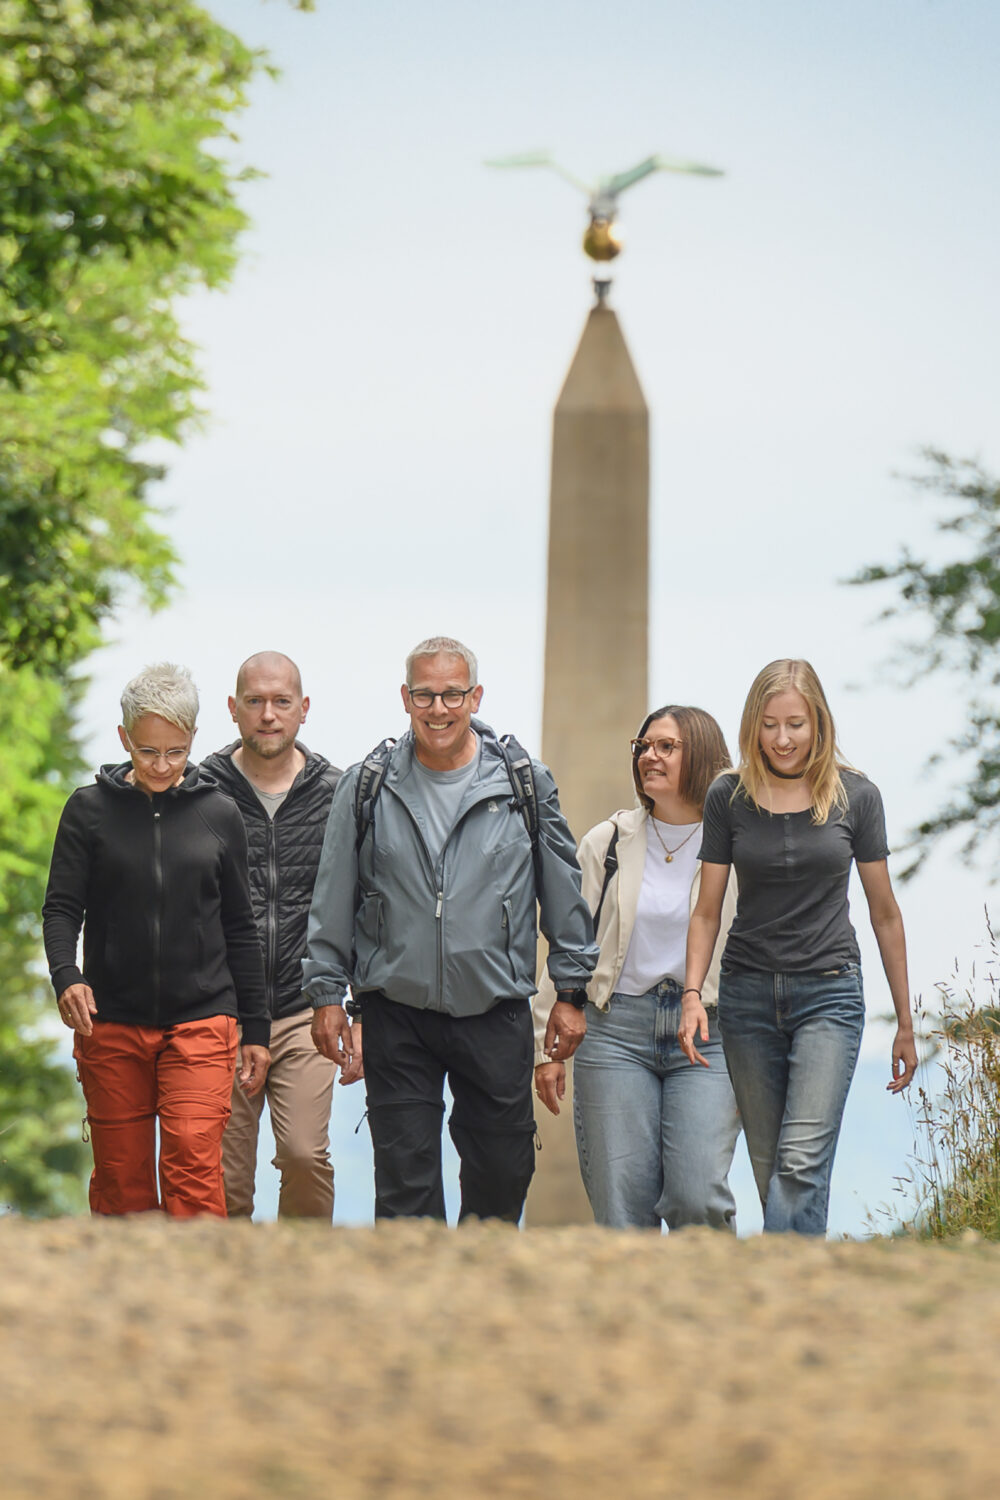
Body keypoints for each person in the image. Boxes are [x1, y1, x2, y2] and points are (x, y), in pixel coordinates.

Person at [304, 635, 598, 1223]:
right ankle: (416, 1281)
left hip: (494, 1007)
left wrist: (570, 993)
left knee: (502, 1173)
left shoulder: (523, 783)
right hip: (397, 1010)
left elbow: (563, 892)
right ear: (405, 698)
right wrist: (326, 994)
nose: (438, 709)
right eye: (425, 695)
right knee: (403, 1183)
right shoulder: (367, 785)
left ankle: (479, 1277)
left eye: (452, 694)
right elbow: (333, 894)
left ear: (476, 697)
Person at [679, 658, 917, 1236]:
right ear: (752, 726)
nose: (782, 739)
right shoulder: (728, 796)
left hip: (829, 993)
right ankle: (800, 1280)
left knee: (800, 1161)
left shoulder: (857, 797)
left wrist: (905, 1022)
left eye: (795, 724)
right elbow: (706, 910)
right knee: (772, 1169)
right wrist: (692, 993)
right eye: (769, 725)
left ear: (819, 724)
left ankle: (783, 1276)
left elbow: (885, 913)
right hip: (747, 996)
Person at [42, 663, 271, 1218]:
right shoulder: (87, 812)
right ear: (124, 738)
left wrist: (257, 1028)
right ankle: (126, 1277)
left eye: (175, 752)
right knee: (121, 1180)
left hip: (202, 1020)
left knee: (192, 1160)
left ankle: (195, 1276)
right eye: (148, 752)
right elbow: (62, 908)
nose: (163, 766)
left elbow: (241, 927)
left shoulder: (220, 814)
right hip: (111, 1021)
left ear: (192, 738)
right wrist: (67, 976)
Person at [534, 705, 741, 1230]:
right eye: (643, 746)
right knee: (623, 1209)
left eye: (667, 746)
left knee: (698, 1196)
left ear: (702, 755)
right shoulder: (607, 842)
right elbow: (567, 945)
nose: (650, 756)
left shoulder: (738, 844)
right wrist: (545, 1049)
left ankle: (714, 1286)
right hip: (615, 1033)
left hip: (709, 1033)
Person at [201, 652, 343, 1220]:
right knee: (226, 1179)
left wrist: (355, 1006)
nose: (268, 715)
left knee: (305, 1156)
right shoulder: (200, 789)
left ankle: (302, 1269)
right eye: (254, 701)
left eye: (281, 702)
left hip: (305, 1011)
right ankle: (227, 1275)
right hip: (222, 1011)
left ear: (303, 709)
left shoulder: (337, 793)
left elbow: (362, 905)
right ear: (232, 708)